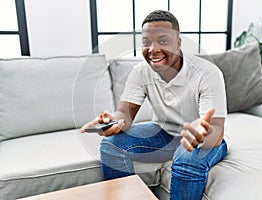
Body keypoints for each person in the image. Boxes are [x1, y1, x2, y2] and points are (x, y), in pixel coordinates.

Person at [81, 10, 228, 200]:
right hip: (163, 133)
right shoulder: (140, 72)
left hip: (204, 140)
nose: (153, 49)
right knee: (111, 145)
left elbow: (216, 128)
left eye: (163, 41)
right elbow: (125, 113)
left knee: (187, 159)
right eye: (146, 43)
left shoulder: (207, 73)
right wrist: (113, 121)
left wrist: (202, 132)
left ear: (179, 43)